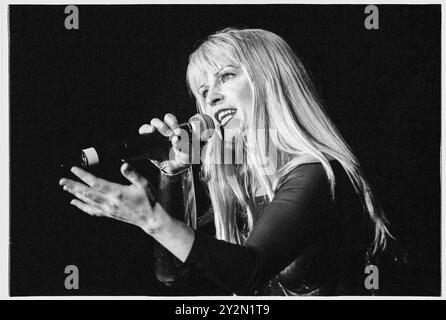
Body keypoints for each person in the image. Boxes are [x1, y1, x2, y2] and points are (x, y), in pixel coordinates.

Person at [59, 28, 395, 296]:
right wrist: (172, 175)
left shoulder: (318, 171)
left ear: (270, 79)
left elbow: (249, 271)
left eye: (226, 76)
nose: (211, 97)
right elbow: (173, 277)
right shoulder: (236, 178)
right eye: (202, 90)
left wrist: (152, 220)